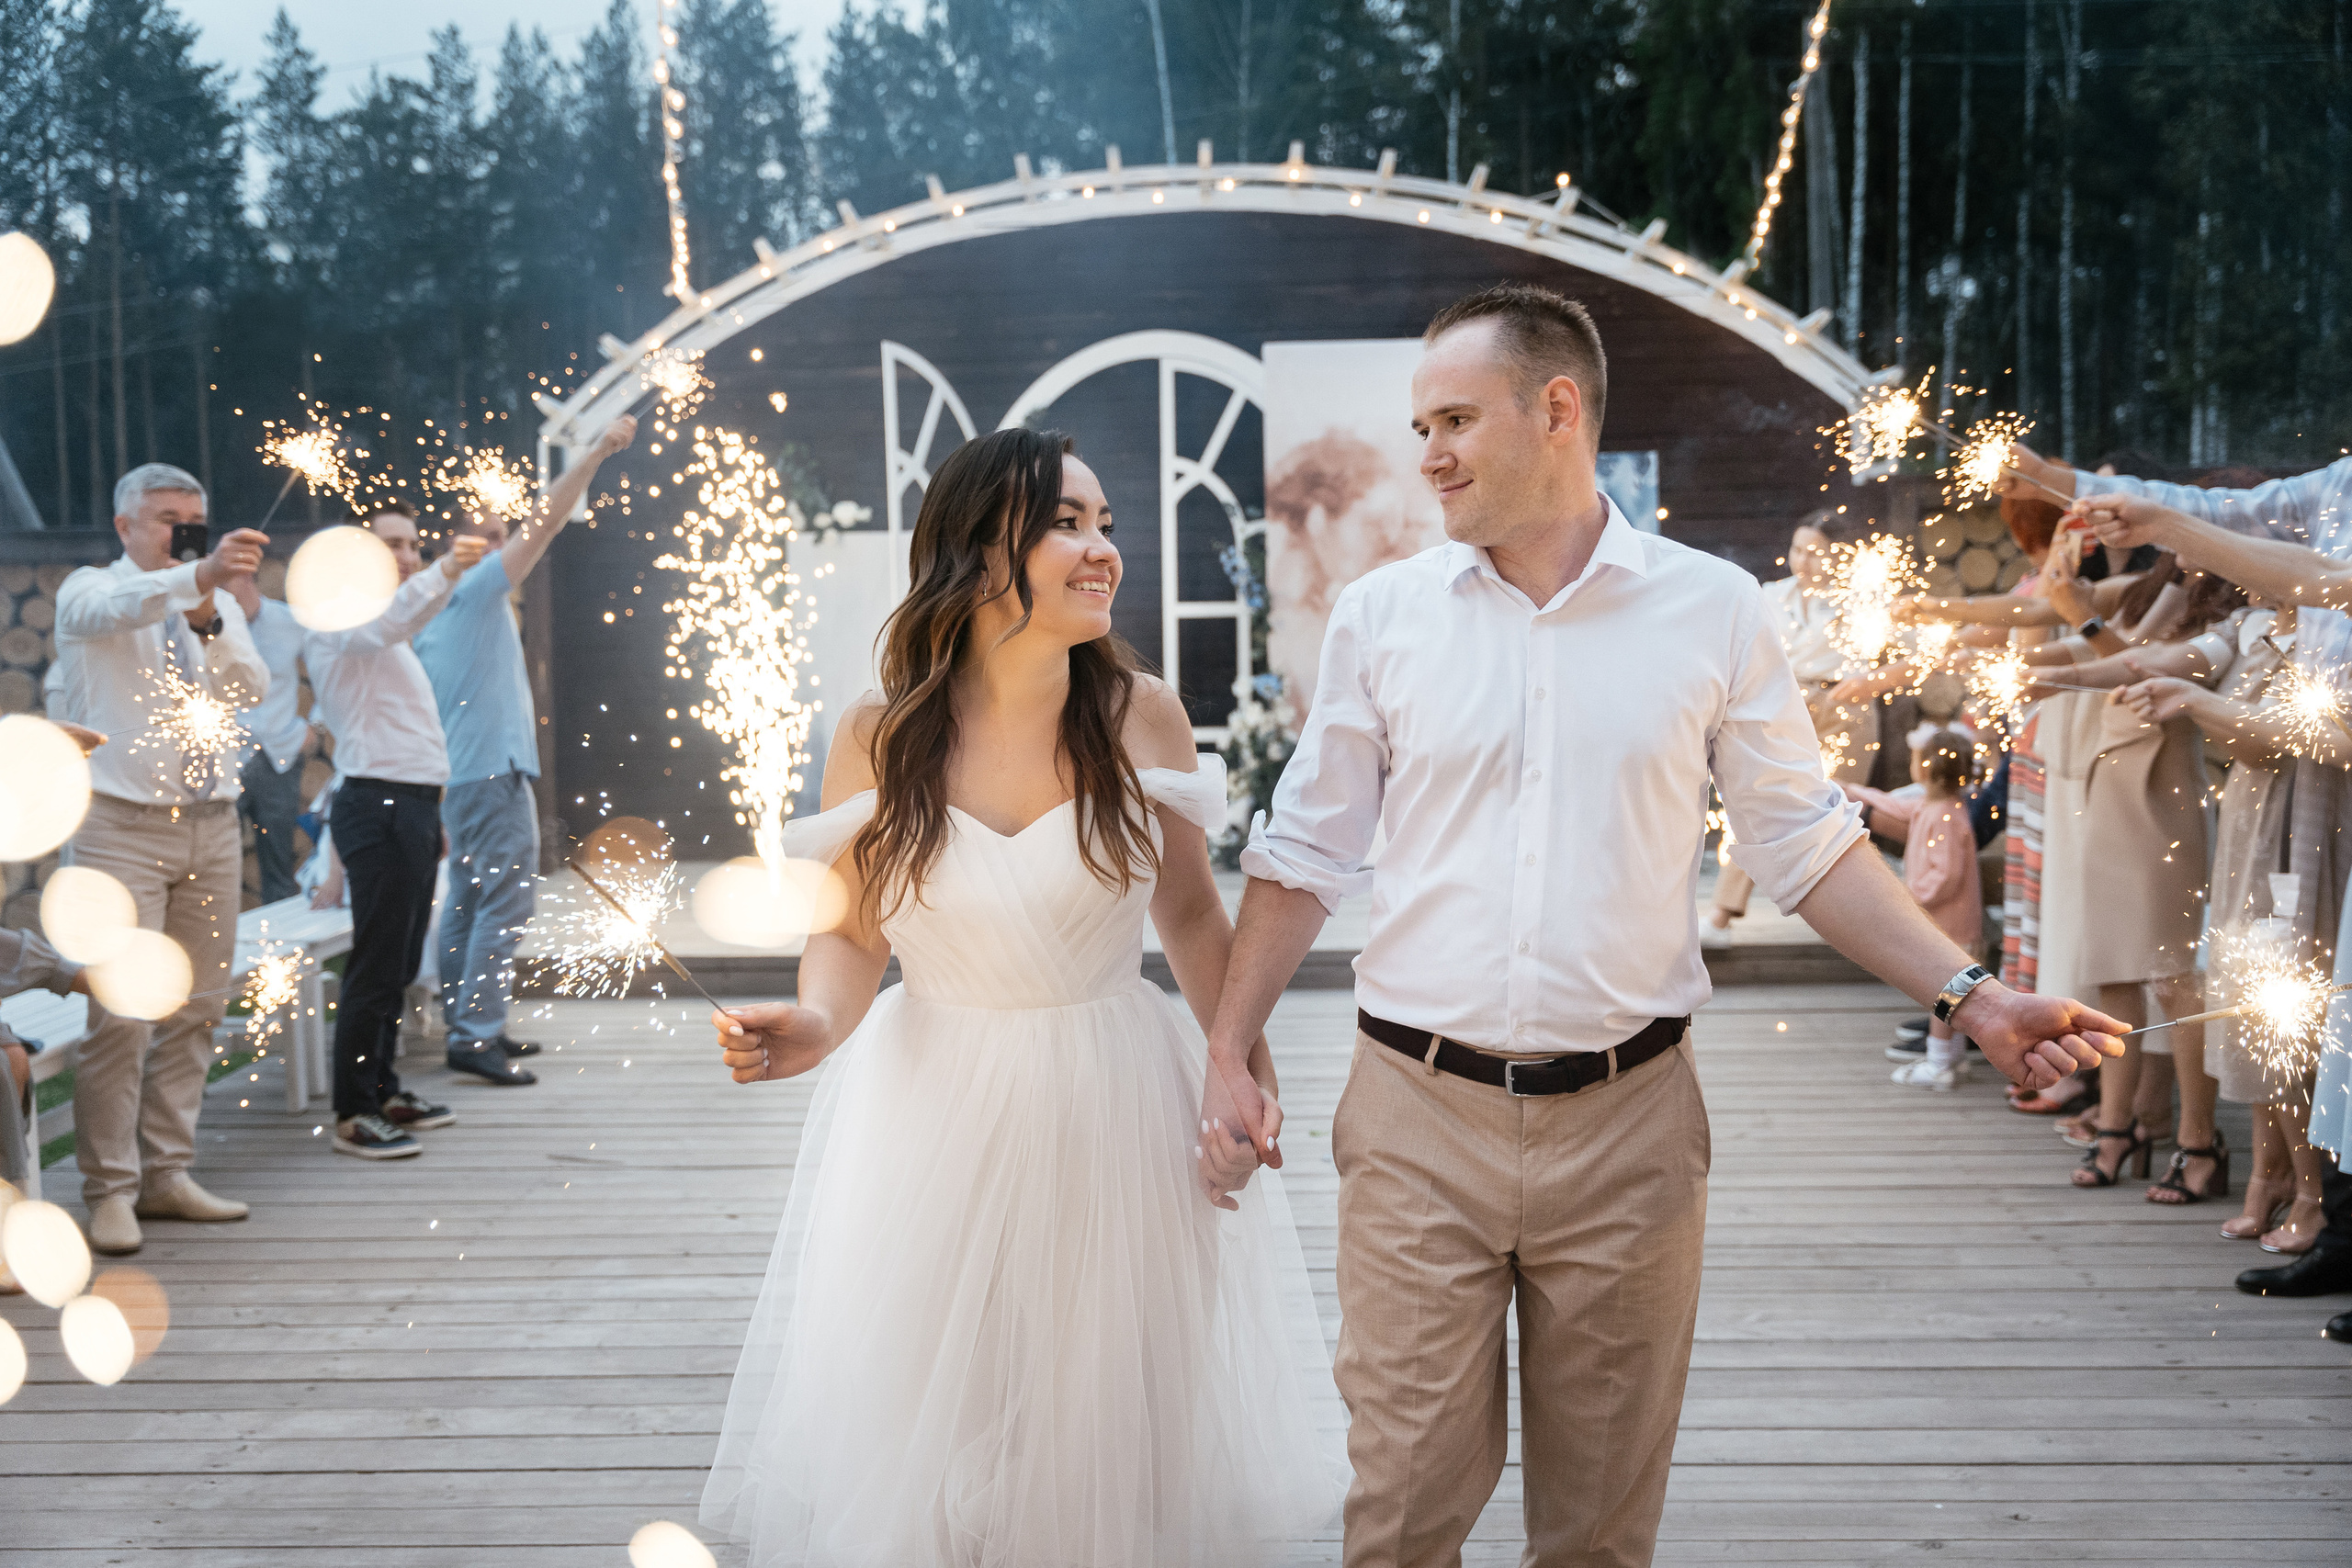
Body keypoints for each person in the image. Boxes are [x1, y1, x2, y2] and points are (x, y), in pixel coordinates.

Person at [1202, 282, 2120, 1568]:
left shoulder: (1714, 607)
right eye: (1420, 426)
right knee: (1402, 1511)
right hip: (1416, 1113)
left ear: (1558, 409)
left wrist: (1976, 995)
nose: (1429, 456)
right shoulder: (1382, 616)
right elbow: (1304, 851)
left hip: (1632, 1127)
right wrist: (1229, 1044)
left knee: (1599, 1532)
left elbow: (1806, 846)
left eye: (1455, 419)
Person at [701, 428, 1342, 1564]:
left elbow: (1191, 915)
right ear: (978, 552)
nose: (1103, 551)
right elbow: (848, 928)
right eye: (1067, 524)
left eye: (1104, 525)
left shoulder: (1139, 713)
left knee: (1109, 1422)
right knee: (939, 1420)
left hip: (1115, 1106)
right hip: (930, 1108)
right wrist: (814, 1024)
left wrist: (1239, 1072)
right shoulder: (878, 733)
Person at [2056, 468, 2352, 1329]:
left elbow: (2308, 736)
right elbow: (2155, 655)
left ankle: (2299, 1194)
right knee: (2273, 1019)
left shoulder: (2326, 626)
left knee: (2299, 1022)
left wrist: (2188, 700)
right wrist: (2049, 672)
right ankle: (2298, 1194)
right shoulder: (2255, 627)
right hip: (2258, 843)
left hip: (2309, 841)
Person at [51, 464, 270, 1255]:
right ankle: (109, 1188)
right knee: (122, 1014)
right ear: (125, 525)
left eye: (193, 519)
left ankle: (166, 1174)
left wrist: (210, 607)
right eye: (166, 519)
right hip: (120, 826)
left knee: (198, 1006)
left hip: (210, 822)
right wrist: (192, 578)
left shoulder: (203, 599)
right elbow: (105, 610)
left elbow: (251, 685)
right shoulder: (91, 588)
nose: (183, 532)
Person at [414, 415, 638, 1084]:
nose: (499, 543)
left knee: (466, 902)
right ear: (455, 544)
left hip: (462, 775)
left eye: (497, 533)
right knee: (505, 903)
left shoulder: (429, 605)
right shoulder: (476, 589)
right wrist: (596, 451)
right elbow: (545, 521)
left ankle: (469, 1023)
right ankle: (476, 1033)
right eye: (483, 535)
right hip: (489, 773)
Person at [303, 507, 487, 1158]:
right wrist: (446, 568)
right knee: (378, 963)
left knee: (402, 959)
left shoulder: (387, 630)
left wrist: (428, 812)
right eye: (390, 547)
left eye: (413, 544)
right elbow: (396, 615)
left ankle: (382, 1088)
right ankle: (354, 1112)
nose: (406, 555)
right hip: (374, 806)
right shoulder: (339, 618)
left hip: (406, 806)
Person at [1702, 513, 1868, 947]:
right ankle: (1721, 915)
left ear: (1839, 557)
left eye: (1816, 553)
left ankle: (1851, 927)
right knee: (1760, 800)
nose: (1804, 561)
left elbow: (1874, 659)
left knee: (1838, 813)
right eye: (1798, 550)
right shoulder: (1770, 595)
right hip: (1783, 702)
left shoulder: (1858, 600)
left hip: (1845, 706)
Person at [1848, 729, 1984, 1089]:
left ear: (1928, 768)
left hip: (1950, 923)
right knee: (1953, 993)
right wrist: (1850, 791)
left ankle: (1938, 1064)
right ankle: (1952, 1058)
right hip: (1944, 922)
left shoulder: (1946, 817)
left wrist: (1911, 898)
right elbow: (1892, 805)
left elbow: (1947, 873)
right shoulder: (1931, 805)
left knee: (1946, 994)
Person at [230, 573, 313, 904]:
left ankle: (283, 949)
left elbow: (327, 667)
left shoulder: (289, 621)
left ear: (248, 579)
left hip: (281, 755)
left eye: (226, 582)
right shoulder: (207, 626)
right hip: (228, 759)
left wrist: (316, 725)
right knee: (218, 861)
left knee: (279, 863)